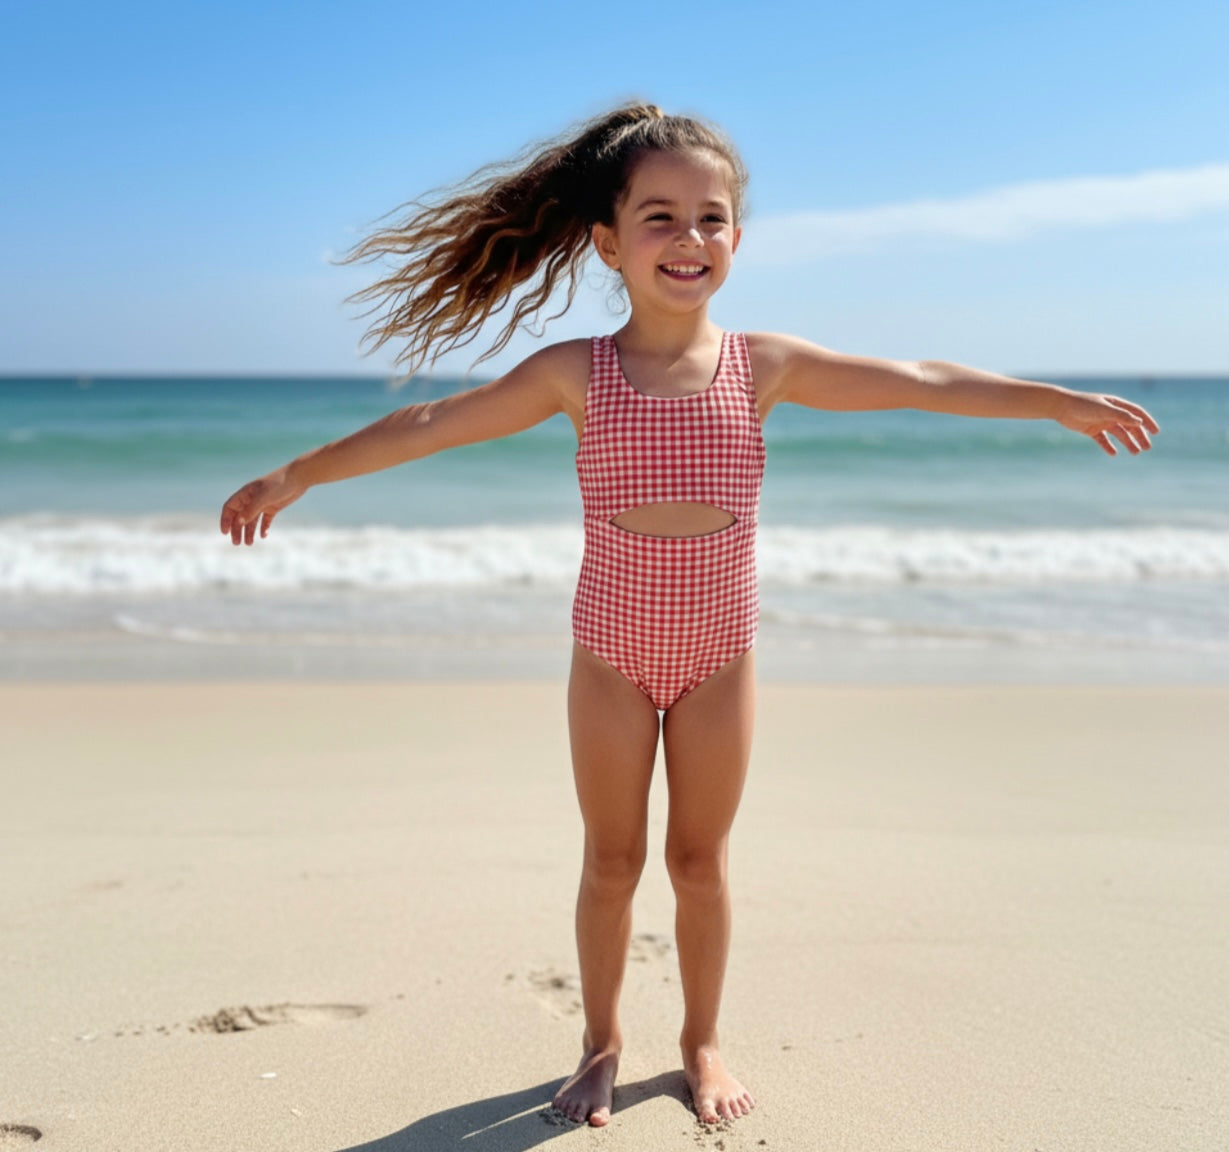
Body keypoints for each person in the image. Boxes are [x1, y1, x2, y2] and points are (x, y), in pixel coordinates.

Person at [220, 103, 1158, 1127]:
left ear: (737, 243)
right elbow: (433, 423)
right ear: (607, 242)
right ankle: (598, 1047)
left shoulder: (764, 366)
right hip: (610, 657)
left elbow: (922, 382)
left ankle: (702, 1041)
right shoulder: (575, 373)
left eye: (710, 219)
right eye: (659, 217)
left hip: (719, 658)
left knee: (699, 864)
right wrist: (296, 474)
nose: (688, 239)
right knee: (611, 860)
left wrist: (1052, 400)